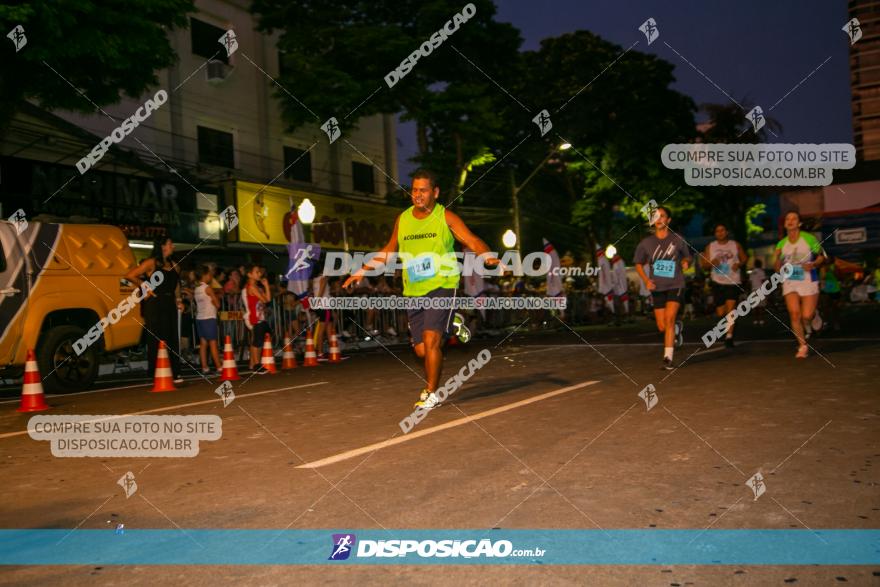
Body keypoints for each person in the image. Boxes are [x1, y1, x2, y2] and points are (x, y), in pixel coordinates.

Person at [342, 168, 501, 409]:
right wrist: (362, 269)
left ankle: (431, 392)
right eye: (414, 190)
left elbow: (470, 239)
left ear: (434, 193)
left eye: (423, 190)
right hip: (413, 290)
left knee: (431, 342)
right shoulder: (403, 218)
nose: (418, 194)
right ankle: (452, 321)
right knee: (420, 351)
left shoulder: (445, 217)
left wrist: (487, 255)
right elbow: (389, 249)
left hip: (442, 285)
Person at [634, 206, 692, 370]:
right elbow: (638, 264)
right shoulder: (646, 243)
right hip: (657, 287)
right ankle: (676, 329)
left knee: (669, 319)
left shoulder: (678, 239)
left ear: (668, 220)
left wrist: (686, 262)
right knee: (662, 326)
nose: (659, 219)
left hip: (676, 284)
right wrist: (646, 280)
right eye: (656, 216)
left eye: (662, 216)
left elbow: (688, 255)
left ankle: (667, 358)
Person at [124, 236, 183, 383]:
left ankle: (174, 372)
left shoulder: (175, 265)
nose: (173, 246)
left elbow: (176, 286)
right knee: (156, 337)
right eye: (170, 244)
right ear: (162, 246)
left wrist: (179, 300)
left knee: (172, 336)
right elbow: (130, 275)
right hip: (155, 303)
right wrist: (145, 286)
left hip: (169, 303)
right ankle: (156, 372)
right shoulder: (151, 262)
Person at [774, 210, 826, 358]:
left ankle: (814, 315)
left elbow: (822, 257)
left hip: (808, 278)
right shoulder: (781, 243)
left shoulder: (809, 239)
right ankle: (802, 346)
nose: (790, 221)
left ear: (799, 223)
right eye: (787, 219)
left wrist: (814, 264)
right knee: (795, 314)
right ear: (785, 224)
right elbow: (777, 268)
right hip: (790, 281)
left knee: (806, 316)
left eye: (794, 218)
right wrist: (777, 259)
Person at [699, 223, 748, 348]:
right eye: (717, 231)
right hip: (717, 281)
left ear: (727, 232)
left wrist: (739, 264)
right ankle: (728, 325)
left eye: (722, 230)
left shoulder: (735, 245)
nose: (720, 232)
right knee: (721, 312)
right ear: (715, 234)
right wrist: (711, 263)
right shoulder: (710, 246)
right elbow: (704, 265)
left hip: (733, 281)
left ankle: (729, 336)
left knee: (731, 310)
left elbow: (744, 258)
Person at [242, 264, 273, 372]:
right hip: (255, 317)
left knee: (259, 341)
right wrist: (263, 292)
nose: (259, 273)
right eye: (256, 272)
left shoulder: (258, 287)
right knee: (256, 342)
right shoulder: (251, 287)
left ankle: (256, 364)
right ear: (249, 274)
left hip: (261, 316)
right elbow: (265, 300)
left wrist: (266, 285)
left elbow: (268, 299)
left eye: (259, 271)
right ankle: (256, 364)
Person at [194, 265, 223, 375]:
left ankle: (205, 367)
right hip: (209, 318)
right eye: (210, 274)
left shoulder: (197, 288)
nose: (211, 276)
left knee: (203, 343)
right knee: (213, 343)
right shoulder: (208, 288)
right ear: (205, 275)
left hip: (200, 318)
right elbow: (218, 304)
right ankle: (219, 367)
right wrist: (216, 298)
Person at [820, 258, 842, 332]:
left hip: (835, 289)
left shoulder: (834, 267)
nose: (827, 261)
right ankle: (825, 322)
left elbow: (839, 277)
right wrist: (825, 271)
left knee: (835, 307)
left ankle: (836, 323)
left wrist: (833, 271)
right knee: (825, 307)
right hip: (825, 289)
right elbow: (822, 278)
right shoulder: (821, 268)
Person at [749, 259, 768, 325]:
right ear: (760, 264)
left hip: (753, 290)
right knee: (761, 306)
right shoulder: (761, 271)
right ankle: (761, 320)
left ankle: (755, 320)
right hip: (760, 290)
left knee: (755, 306)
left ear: (755, 265)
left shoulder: (752, 272)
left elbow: (750, 282)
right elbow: (763, 281)